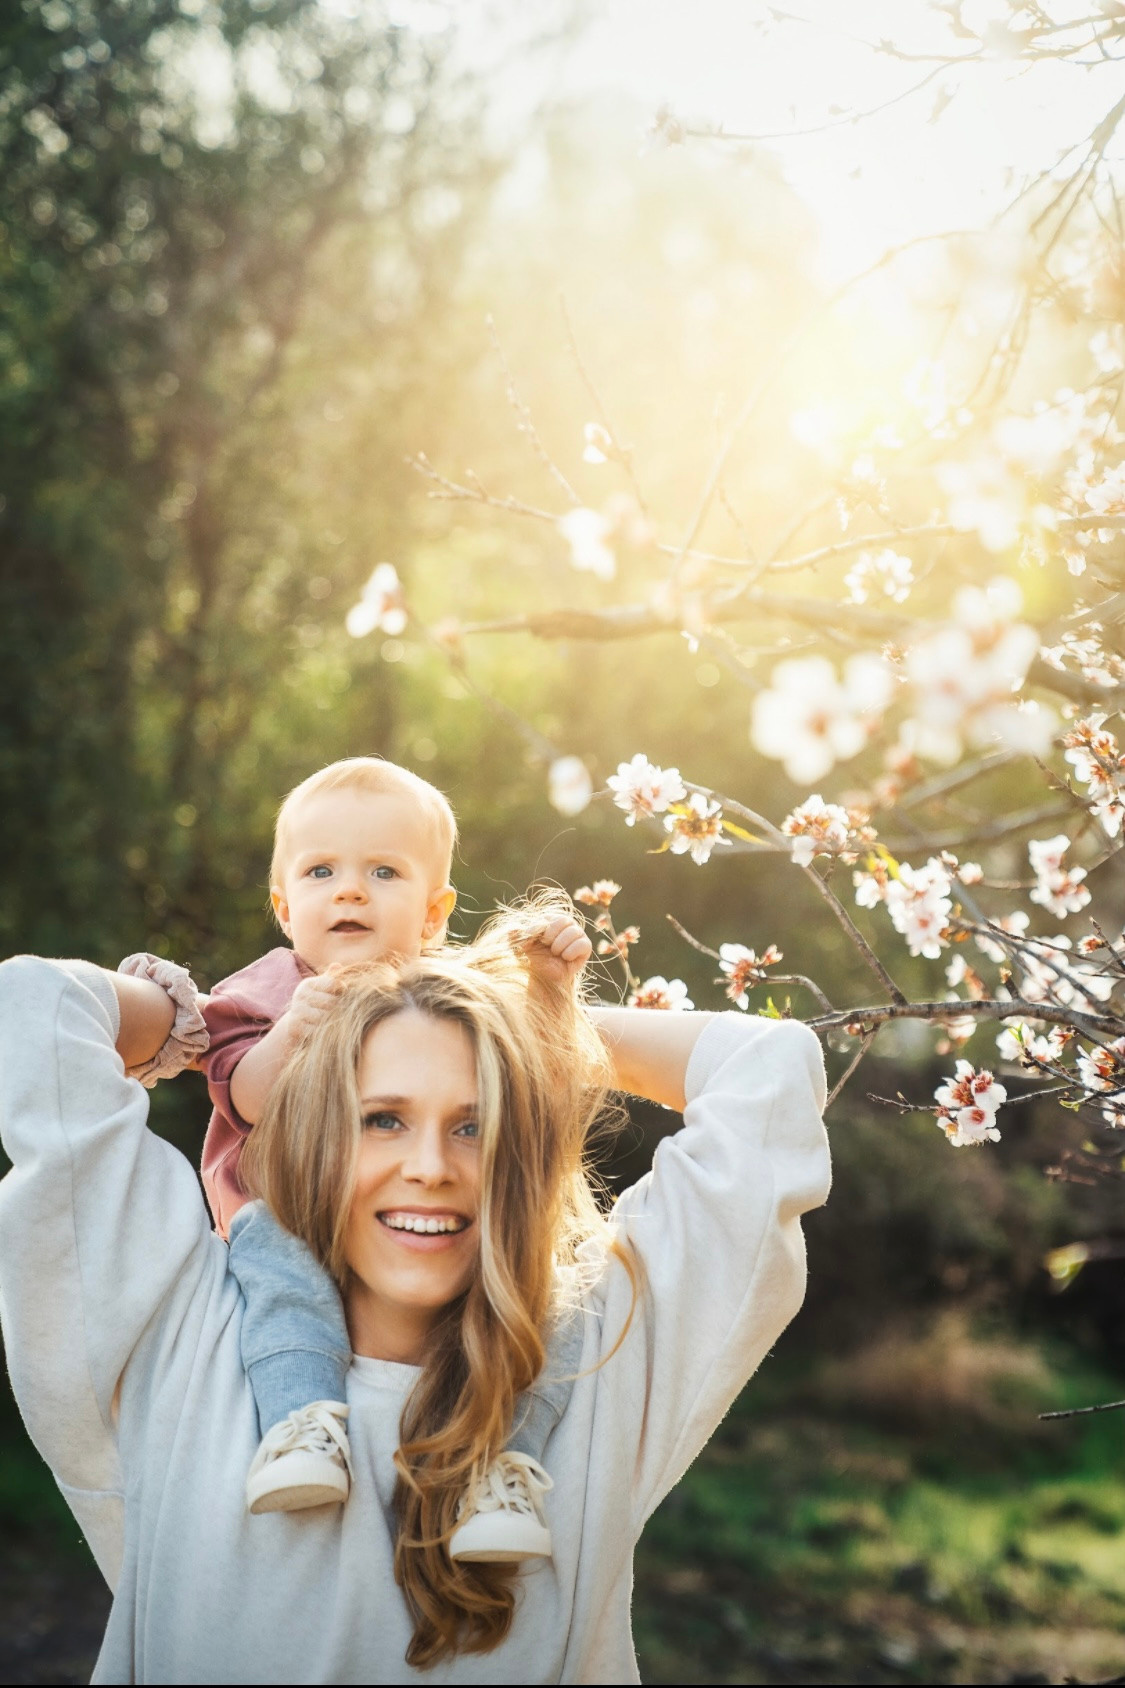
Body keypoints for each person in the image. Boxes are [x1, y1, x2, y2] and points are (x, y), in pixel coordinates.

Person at [0, 921, 830, 1681]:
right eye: (383, 1120)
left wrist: (533, 1020)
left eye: (473, 1125)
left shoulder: (595, 1363)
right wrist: (216, 1036)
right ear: (313, 1137)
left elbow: (767, 1071)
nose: (431, 1165)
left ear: (517, 1156)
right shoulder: (177, 1336)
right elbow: (36, 1008)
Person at [194, 756, 589, 1558]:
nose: (349, 890)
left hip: (425, 1224)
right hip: (290, 1214)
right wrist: (291, 1033)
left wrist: (550, 989)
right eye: (321, 871)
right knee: (281, 1278)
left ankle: (497, 1467)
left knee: (546, 1291)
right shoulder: (269, 992)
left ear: (435, 911)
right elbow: (245, 1099)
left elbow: (533, 1094)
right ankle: (302, 1427)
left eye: (383, 871)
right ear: (283, 905)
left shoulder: (448, 999)